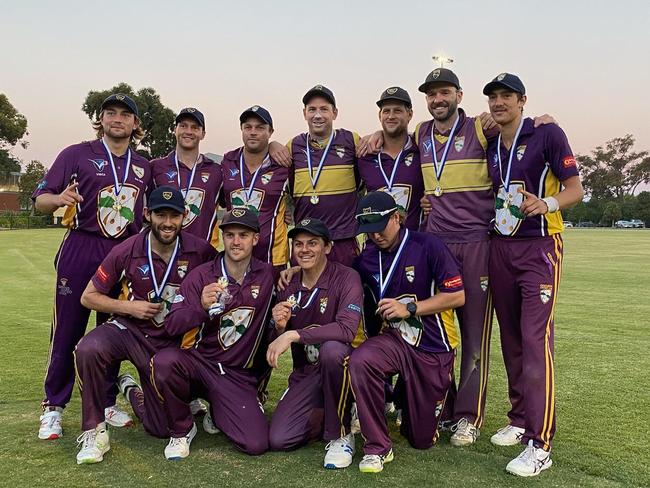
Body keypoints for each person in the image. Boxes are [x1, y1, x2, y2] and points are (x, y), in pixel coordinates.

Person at [33, 93, 150, 440]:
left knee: (112, 331)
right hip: (82, 245)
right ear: (101, 119)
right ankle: (54, 406)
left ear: (135, 124)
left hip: (123, 252)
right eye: (110, 113)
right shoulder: (76, 153)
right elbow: (41, 200)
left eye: (125, 114)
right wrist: (58, 199)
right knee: (68, 330)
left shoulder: (144, 165)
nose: (117, 119)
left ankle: (107, 401)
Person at [483, 73, 584, 477]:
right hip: (501, 247)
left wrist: (547, 202)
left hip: (540, 249)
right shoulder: (492, 143)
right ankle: (520, 416)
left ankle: (540, 443)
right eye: (493, 97)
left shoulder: (547, 133)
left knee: (535, 339)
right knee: (510, 339)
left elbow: (576, 188)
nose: (499, 102)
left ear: (522, 100)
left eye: (507, 96)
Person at [73, 186, 216, 464]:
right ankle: (94, 431)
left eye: (174, 216)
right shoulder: (127, 249)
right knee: (88, 348)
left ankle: (130, 390)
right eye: (160, 215)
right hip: (130, 331)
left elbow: (224, 277)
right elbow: (88, 296)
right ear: (147, 214)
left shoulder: (201, 250)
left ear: (184, 216)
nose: (167, 223)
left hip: (170, 343)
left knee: (161, 428)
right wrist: (129, 307)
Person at [349, 191, 465, 473]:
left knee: (420, 439)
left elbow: (457, 296)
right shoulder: (367, 257)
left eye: (379, 229)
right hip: (395, 341)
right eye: (369, 232)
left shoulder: (428, 245)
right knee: (361, 360)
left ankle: (412, 396)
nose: (375, 237)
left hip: (433, 346)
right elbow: (339, 277)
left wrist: (411, 309)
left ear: (397, 218)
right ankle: (378, 447)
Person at [151, 208, 275, 460]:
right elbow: (172, 324)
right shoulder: (202, 275)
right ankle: (182, 430)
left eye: (243, 234)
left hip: (234, 375)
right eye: (230, 235)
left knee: (255, 444)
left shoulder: (268, 275)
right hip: (198, 364)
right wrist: (201, 307)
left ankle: (218, 410)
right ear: (222, 238)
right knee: (164, 366)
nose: (236, 241)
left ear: (255, 238)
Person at [267, 218, 365, 470]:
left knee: (332, 350)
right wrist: (279, 327)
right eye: (298, 244)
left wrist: (292, 335)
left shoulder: (347, 277)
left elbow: (346, 329)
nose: (304, 249)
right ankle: (336, 411)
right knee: (280, 439)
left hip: (343, 368)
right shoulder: (287, 284)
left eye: (313, 243)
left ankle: (341, 433)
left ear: (328, 247)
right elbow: (273, 342)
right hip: (307, 375)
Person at [286, 85, 362, 267]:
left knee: (347, 292)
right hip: (306, 242)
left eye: (324, 109)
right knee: (305, 295)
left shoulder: (351, 140)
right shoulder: (292, 146)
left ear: (334, 113)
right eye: (312, 109)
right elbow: (282, 188)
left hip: (343, 240)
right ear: (304, 113)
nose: (317, 115)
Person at [220, 105, 290, 280]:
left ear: (270, 131)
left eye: (260, 128)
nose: (253, 132)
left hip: (272, 258)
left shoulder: (284, 164)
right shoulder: (227, 161)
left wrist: (288, 212)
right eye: (248, 127)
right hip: (234, 256)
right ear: (241, 129)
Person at [150, 108, 223, 246]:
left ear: (203, 134)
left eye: (195, 127)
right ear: (174, 129)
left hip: (203, 254)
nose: (188, 131)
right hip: (163, 252)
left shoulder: (217, 171)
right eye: (183, 126)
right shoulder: (155, 167)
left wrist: (273, 146)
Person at [357, 87, 423, 231]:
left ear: (410, 114)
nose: (391, 116)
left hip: (413, 243)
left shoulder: (421, 150)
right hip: (376, 243)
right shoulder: (364, 155)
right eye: (386, 111)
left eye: (397, 111)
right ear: (379, 115)